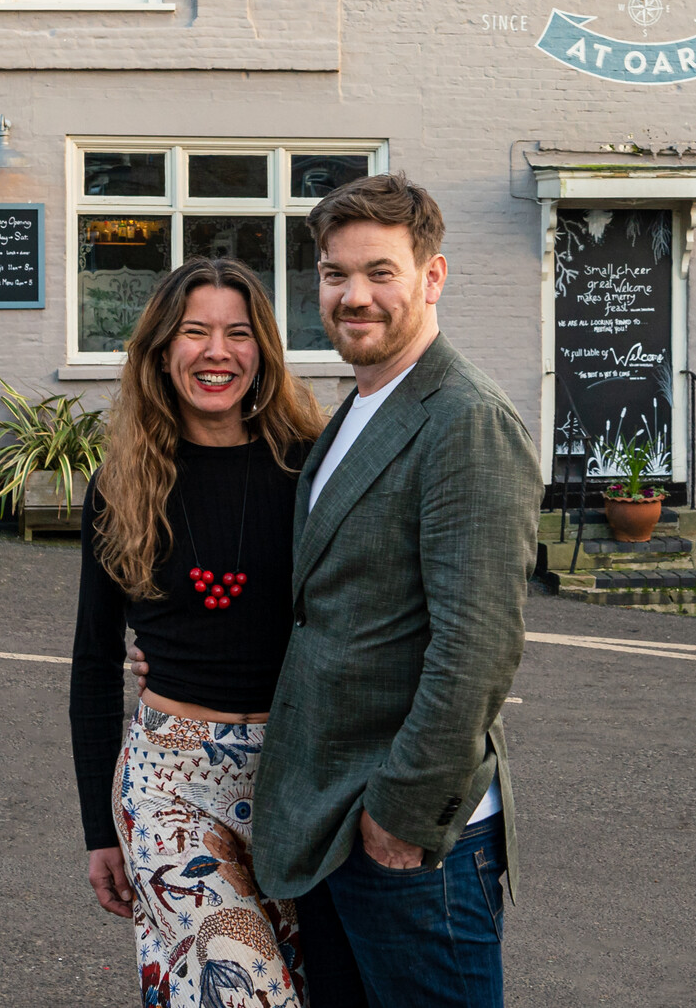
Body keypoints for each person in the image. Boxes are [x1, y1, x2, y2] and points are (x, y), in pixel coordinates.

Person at [254, 173, 543, 1008]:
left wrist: (403, 819)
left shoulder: (465, 420)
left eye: (380, 272)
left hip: (410, 843)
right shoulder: (358, 409)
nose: (354, 296)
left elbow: (478, 648)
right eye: (335, 274)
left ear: (432, 276)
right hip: (333, 828)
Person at [68, 257, 337, 1008]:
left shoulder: (310, 468)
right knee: (246, 992)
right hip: (171, 786)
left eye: (238, 333)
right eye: (195, 332)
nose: (217, 351)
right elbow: (93, 665)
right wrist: (99, 830)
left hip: (293, 779)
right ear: (161, 350)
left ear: (264, 352)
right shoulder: (123, 480)